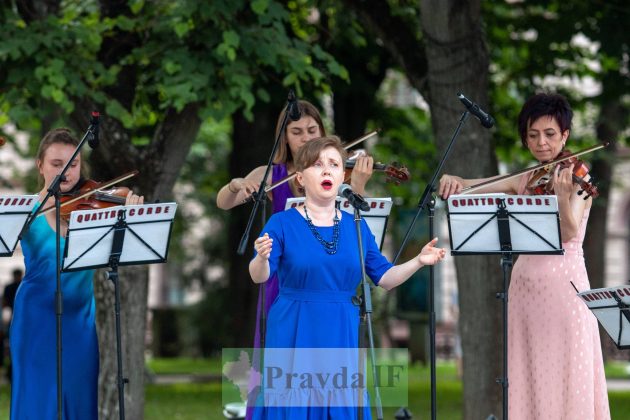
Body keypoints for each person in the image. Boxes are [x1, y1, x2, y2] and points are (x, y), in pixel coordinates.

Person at [438, 93, 610, 419]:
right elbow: (473, 186)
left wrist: (561, 198)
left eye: (549, 134)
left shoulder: (578, 175)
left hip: (565, 293)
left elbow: (570, 232)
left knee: (566, 376)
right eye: (533, 135)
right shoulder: (528, 178)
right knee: (529, 376)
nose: (541, 143)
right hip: (525, 292)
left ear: (565, 136)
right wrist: (455, 181)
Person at [249, 136, 446, 418]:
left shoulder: (357, 223)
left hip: (340, 325)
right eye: (317, 165)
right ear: (301, 178)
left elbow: (385, 277)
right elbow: (259, 276)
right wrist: (261, 258)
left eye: (334, 164)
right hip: (294, 323)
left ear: (343, 175)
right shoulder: (282, 221)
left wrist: (418, 261)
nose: (327, 170)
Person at [9, 128, 143, 420]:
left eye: (73, 164)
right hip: (35, 320)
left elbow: (122, 253)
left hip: (80, 322)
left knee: (80, 402)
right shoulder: (25, 211)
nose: (66, 172)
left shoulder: (94, 206)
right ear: (40, 165)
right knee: (36, 402)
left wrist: (130, 213)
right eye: (57, 164)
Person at [2, 268, 23, 382]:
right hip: (19, 319)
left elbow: (5, 304)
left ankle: (11, 372)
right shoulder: (21, 287)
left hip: (14, 319)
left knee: (12, 346)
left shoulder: (10, 287)